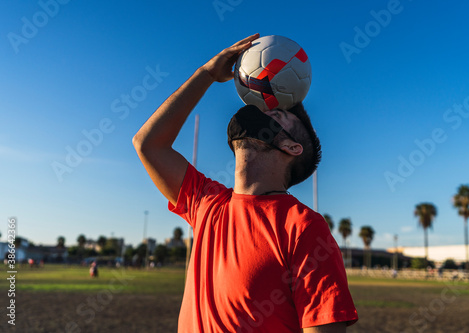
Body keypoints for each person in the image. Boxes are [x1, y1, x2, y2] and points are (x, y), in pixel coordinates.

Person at [133, 33, 358, 333]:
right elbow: (148, 144)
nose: (264, 110)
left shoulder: (304, 228)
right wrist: (206, 74)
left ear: (292, 148)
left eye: (278, 114)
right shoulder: (206, 203)